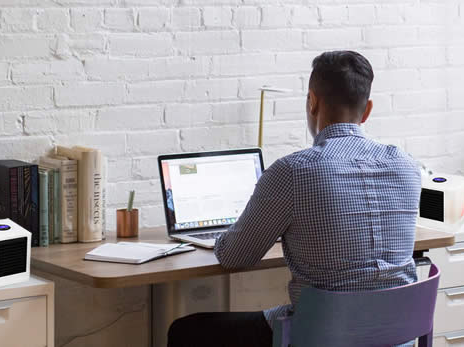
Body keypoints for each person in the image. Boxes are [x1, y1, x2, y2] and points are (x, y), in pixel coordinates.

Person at [167, 51, 421, 347]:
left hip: (321, 335)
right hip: (396, 334)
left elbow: (235, 256)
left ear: (312, 102)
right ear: (367, 111)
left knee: (186, 331)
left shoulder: (293, 171)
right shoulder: (406, 165)